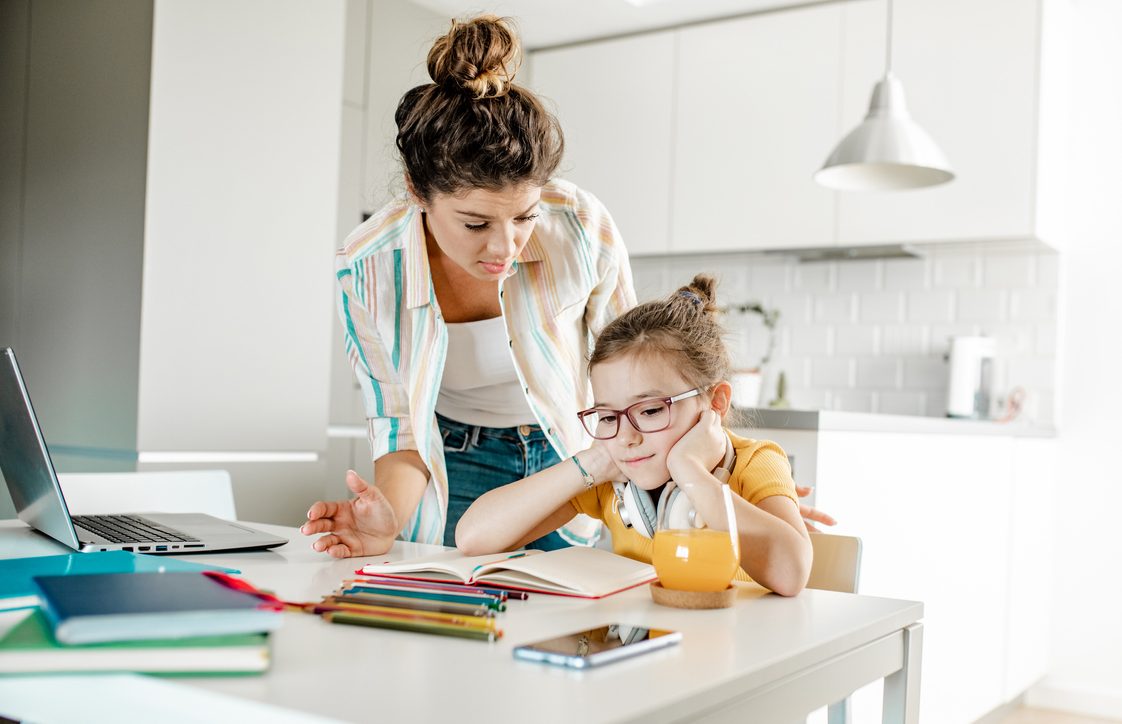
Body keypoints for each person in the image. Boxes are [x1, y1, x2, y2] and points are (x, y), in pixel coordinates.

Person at [300, 15, 636, 556]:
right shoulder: (367, 267)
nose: (506, 247)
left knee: (569, 629)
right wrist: (384, 521)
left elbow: (637, 376)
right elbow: (399, 427)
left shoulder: (578, 225)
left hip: (572, 456)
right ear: (417, 191)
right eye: (476, 224)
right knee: (449, 620)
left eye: (524, 216)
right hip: (454, 459)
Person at [456, 275, 813, 596]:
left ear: (716, 401)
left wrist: (690, 472)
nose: (626, 437)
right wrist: (593, 461)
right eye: (608, 416)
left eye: (651, 410)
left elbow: (791, 574)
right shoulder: (615, 479)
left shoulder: (755, 463)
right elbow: (473, 539)